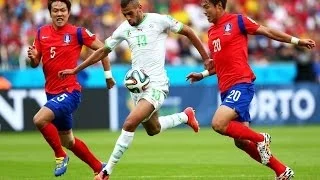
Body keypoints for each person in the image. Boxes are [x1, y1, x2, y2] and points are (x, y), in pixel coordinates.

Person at [58, 0, 211, 179]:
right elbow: (102, 51)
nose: (128, 18)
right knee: (153, 129)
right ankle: (185, 116)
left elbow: (188, 31)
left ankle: (106, 172)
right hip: (138, 89)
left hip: (157, 85)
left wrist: (206, 59)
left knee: (129, 123)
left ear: (140, 8)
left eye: (131, 13)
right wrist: (76, 69)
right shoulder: (124, 28)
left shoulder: (159, 20)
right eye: (125, 15)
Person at [186, 0, 316, 179]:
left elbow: (268, 31)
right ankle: (282, 171)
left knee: (218, 123)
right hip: (226, 89)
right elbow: (218, 64)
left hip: (241, 83)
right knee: (241, 142)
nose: (204, 12)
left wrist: (297, 41)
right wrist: (201, 75)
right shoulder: (211, 32)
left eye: (207, 7)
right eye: (202, 8)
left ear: (218, 6)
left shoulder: (238, 21)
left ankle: (261, 139)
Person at [27, 0, 116, 177]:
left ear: (68, 13)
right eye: (55, 10)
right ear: (50, 13)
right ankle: (99, 167)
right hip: (51, 93)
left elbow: (104, 49)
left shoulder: (78, 32)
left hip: (70, 92)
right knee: (68, 140)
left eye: (62, 10)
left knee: (39, 119)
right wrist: (33, 57)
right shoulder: (41, 32)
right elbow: (35, 63)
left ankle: (60, 156)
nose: (59, 14)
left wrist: (108, 76)